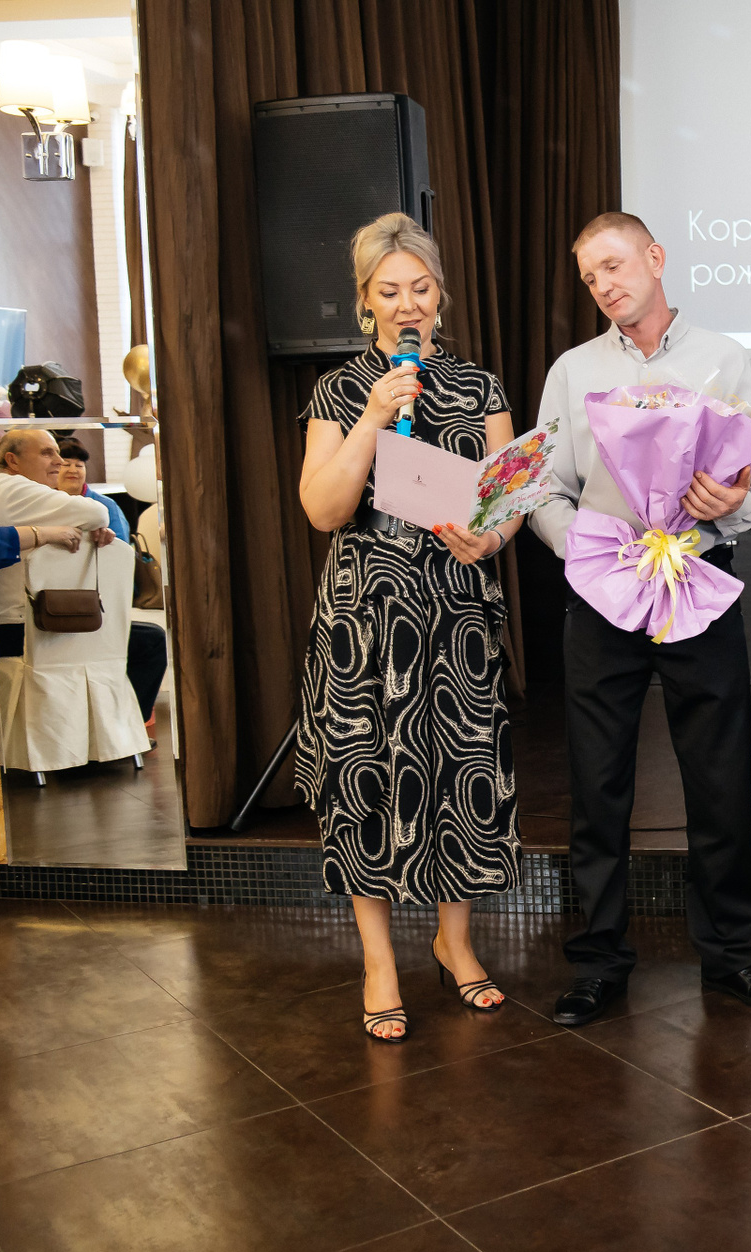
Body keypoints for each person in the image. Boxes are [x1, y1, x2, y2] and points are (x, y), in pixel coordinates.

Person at [529, 212, 751, 1027]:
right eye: (590, 277)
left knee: (719, 779)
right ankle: (599, 960)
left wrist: (725, 504)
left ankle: (731, 955)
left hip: (695, 581)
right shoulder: (573, 370)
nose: (604, 285)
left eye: (614, 266)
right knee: (597, 784)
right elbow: (545, 486)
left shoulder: (724, 358)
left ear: (655, 257)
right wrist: (591, 552)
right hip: (603, 594)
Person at [296, 212, 519, 1042]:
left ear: (440, 294)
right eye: (388, 292)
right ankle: (379, 961)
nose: (407, 305)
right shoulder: (338, 390)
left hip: (455, 609)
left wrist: (488, 538)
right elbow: (323, 510)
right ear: (365, 300)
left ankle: (454, 942)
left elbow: (508, 505)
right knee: (364, 776)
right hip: (365, 619)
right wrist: (371, 417)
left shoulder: (481, 389)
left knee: (461, 771)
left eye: (420, 288)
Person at [54, 437, 168, 723]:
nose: (73, 470)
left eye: (79, 464)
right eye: (66, 464)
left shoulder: (105, 507)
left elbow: (119, 560)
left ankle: (131, 721)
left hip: (98, 601)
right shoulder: (43, 506)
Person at [0, 429, 114, 661]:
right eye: (47, 453)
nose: (59, 461)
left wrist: (83, 525)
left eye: (57, 453)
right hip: (20, 623)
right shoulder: (16, 488)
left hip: (8, 618)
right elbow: (98, 513)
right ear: (13, 460)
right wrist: (89, 524)